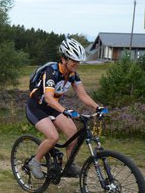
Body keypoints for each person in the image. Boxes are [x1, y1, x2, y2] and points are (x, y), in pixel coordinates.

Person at [26, 38, 106, 179]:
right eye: (74, 60)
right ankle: (35, 161)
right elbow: (49, 97)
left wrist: (97, 107)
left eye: (78, 61)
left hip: (52, 107)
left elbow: (83, 95)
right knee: (53, 137)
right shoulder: (52, 72)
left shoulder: (73, 75)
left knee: (72, 133)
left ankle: (69, 166)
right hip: (36, 107)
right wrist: (65, 110)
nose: (77, 64)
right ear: (64, 59)